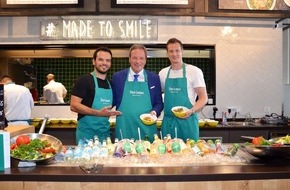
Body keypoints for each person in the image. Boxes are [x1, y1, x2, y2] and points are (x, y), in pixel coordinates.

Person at [159, 38, 208, 142]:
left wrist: (192, 110)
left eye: (177, 50)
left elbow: (203, 97)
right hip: (168, 123)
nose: (174, 54)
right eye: (171, 51)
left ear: (182, 51)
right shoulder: (163, 73)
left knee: (189, 155)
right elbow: (158, 96)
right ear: (167, 53)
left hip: (188, 122)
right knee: (166, 155)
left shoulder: (194, 71)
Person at [112, 44, 163, 143]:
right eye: (135, 58)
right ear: (129, 59)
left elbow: (159, 103)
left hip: (147, 128)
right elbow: (112, 100)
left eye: (141, 58)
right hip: (124, 127)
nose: (138, 61)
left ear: (145, 60)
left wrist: (154, 112)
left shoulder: (154, 78)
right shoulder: (117, 77)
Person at [70, 47, 121, 144]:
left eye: (107, 60)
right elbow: (74, 105)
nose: (104, 63)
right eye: (101, 59)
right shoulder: (84, 80)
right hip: (86, 135)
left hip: (104, 135)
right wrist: (99, 113)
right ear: (94, 61)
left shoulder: (110, 84)